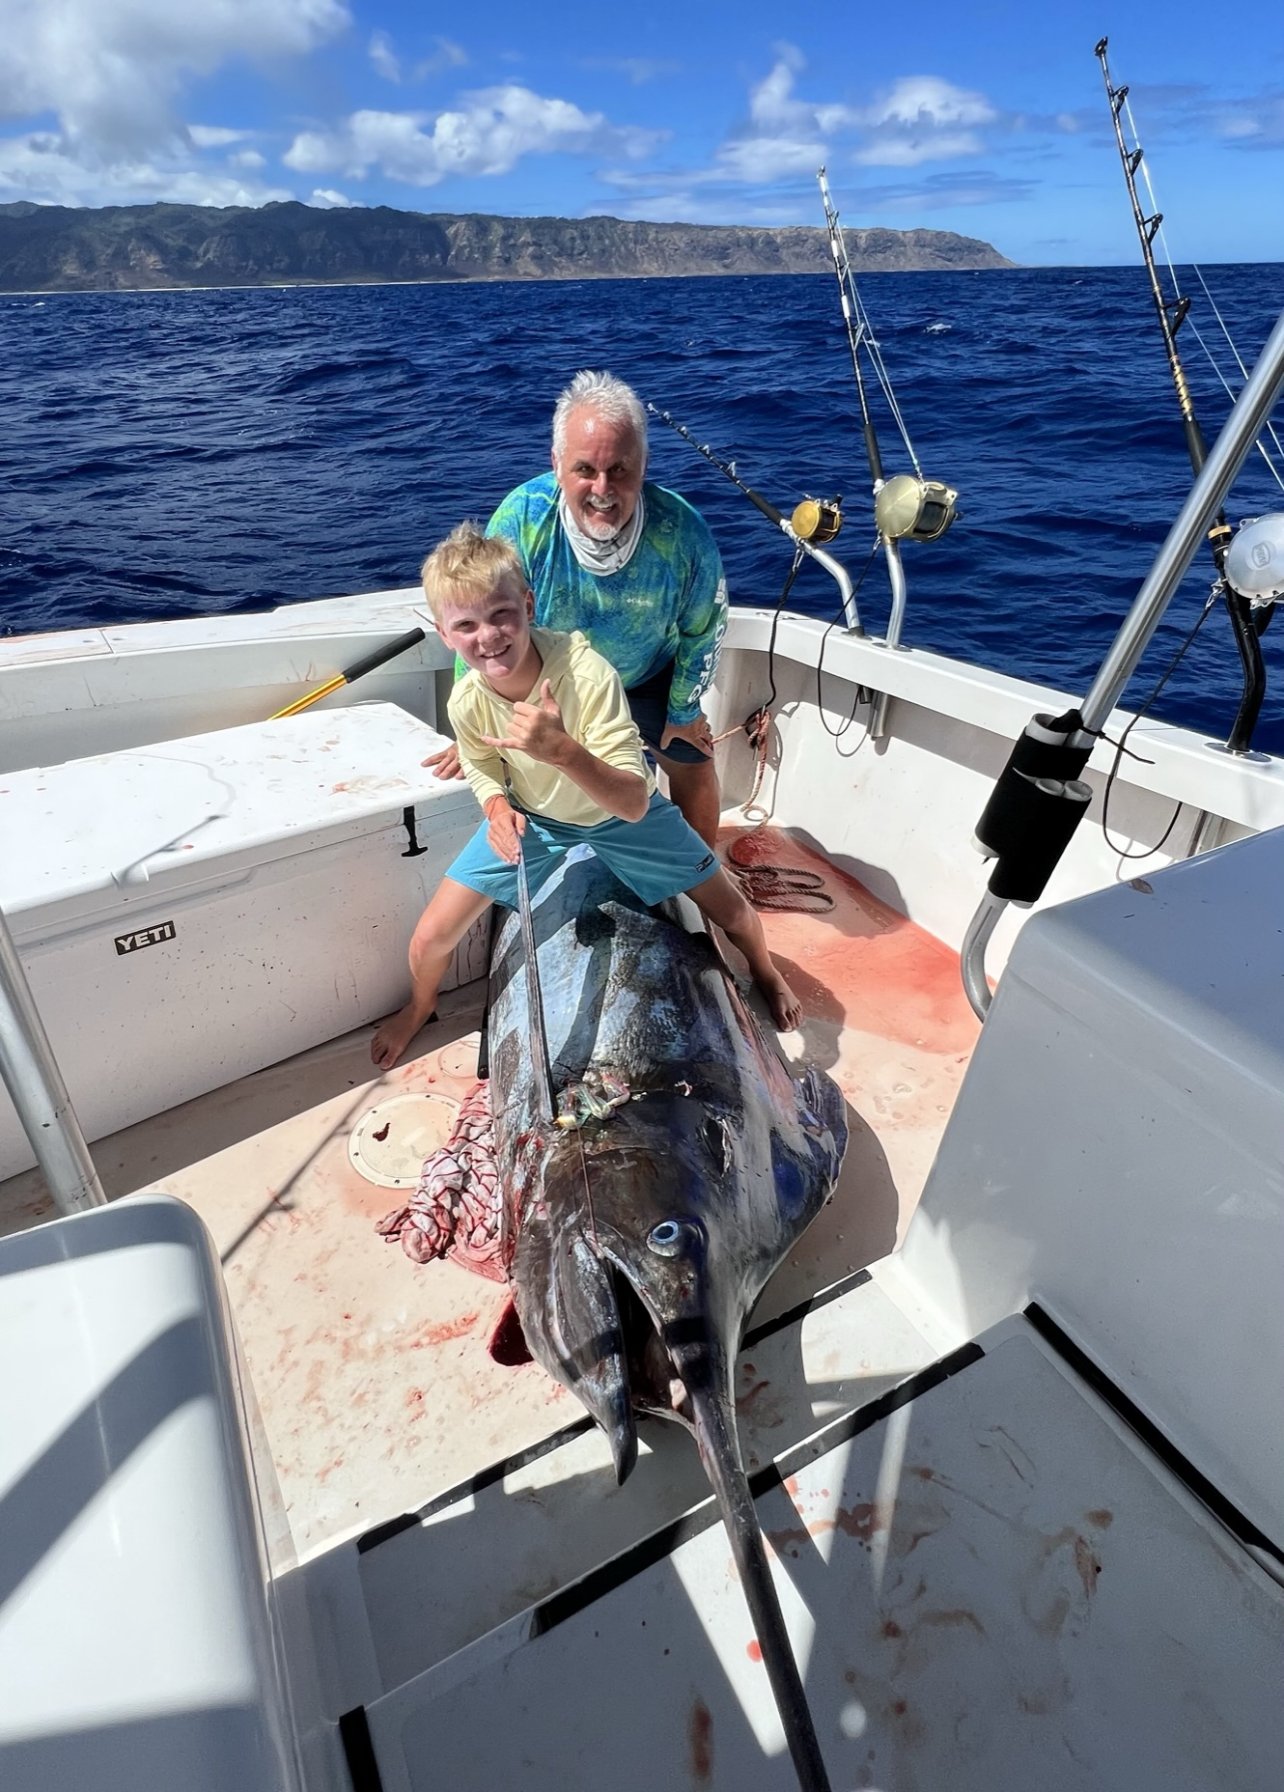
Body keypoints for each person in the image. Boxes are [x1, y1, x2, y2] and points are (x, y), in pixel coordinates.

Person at [370, 523, 798, 1070]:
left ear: (528, 605)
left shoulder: (587, 675)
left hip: (621, 815)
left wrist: (561, 751)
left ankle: (765, 971)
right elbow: (480, 764)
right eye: (466, 625)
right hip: (537, 820)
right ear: (444, 634)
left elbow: (634, 802)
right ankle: (420, 1006)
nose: (488, 636)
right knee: (429, 938)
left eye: (502, 613)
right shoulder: (467, 699)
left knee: (735, 914)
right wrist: (497, 808)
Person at [426, 370, 727, 849]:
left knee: (692, 760)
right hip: (551, 679)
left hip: (649, 673)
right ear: (557, 463)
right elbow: (482, 614)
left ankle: (704, 876)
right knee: (511, 767)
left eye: (620, 470)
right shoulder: (524, 518)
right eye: (585, 469)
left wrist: (684, 710)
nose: (603, 488)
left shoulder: (683, 532)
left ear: (644, 464)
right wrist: (476, 726)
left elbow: (704, 627)